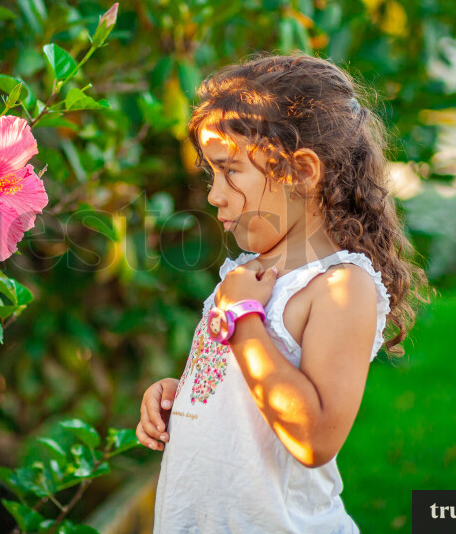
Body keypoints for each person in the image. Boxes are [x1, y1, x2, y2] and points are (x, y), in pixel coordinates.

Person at [137, 53, 431, 533]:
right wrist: (183, 395)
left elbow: (313, 437)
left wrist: (243, 319)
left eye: (231, 171)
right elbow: (244, 387)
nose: (214, 194)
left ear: (301, 172)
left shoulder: (339, 287)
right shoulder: (245, 276)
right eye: (212, 174)